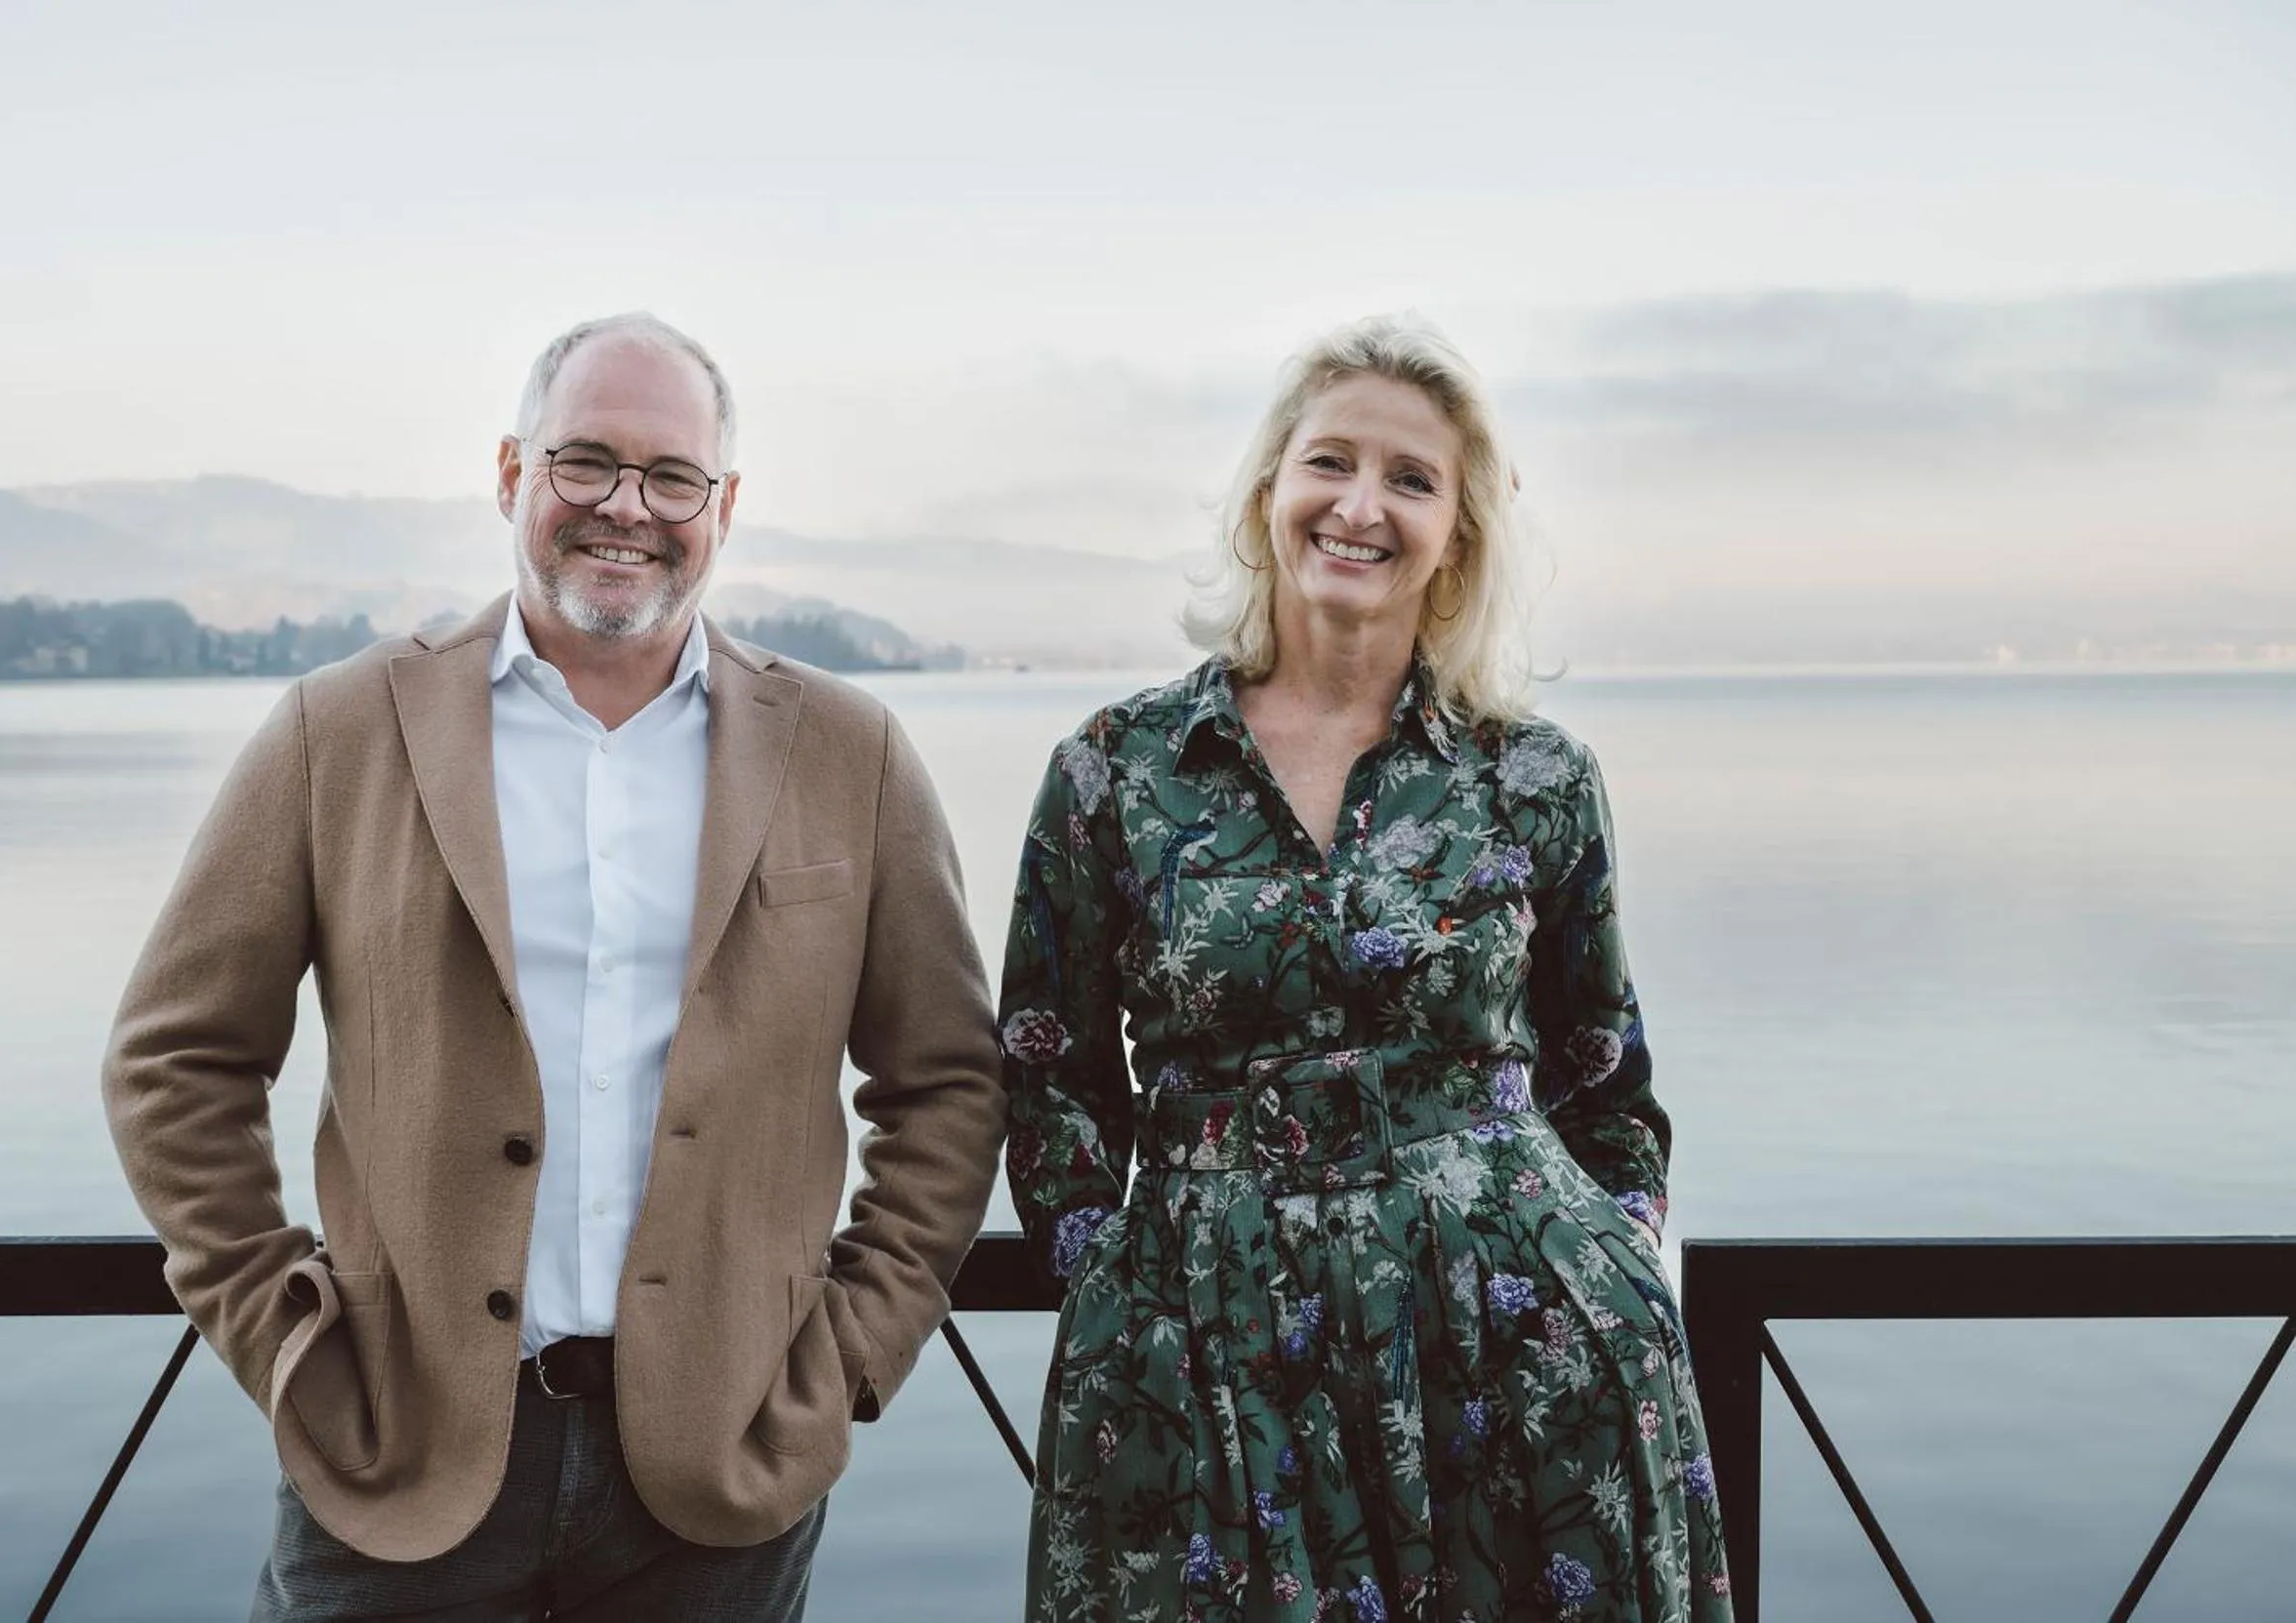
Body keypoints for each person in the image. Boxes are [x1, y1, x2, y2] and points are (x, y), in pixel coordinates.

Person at [103, 312, 1006, 1622]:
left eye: (671, 477)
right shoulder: (339, 730)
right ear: (511, 472)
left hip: (720, 1480)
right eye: (584, 463)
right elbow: (172, 1060)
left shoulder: (849, 753)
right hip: (395, 1462)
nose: (625, 508)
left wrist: (850, 1352)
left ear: (725, 504)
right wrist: (279, 1329)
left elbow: (946, 1082)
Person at [999, 315, 1730, 1621]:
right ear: (1267, 490)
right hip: (1204, 1346)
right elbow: (1045, 1064)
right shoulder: (1116, 771)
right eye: (1329, 461)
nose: (1361, 504)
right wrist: (1106, 1274)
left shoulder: (1532, 775)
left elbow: (1602, 1071)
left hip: (1512, 1349)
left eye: (1410, 478)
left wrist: (1615, 1260)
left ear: (1458, 533)